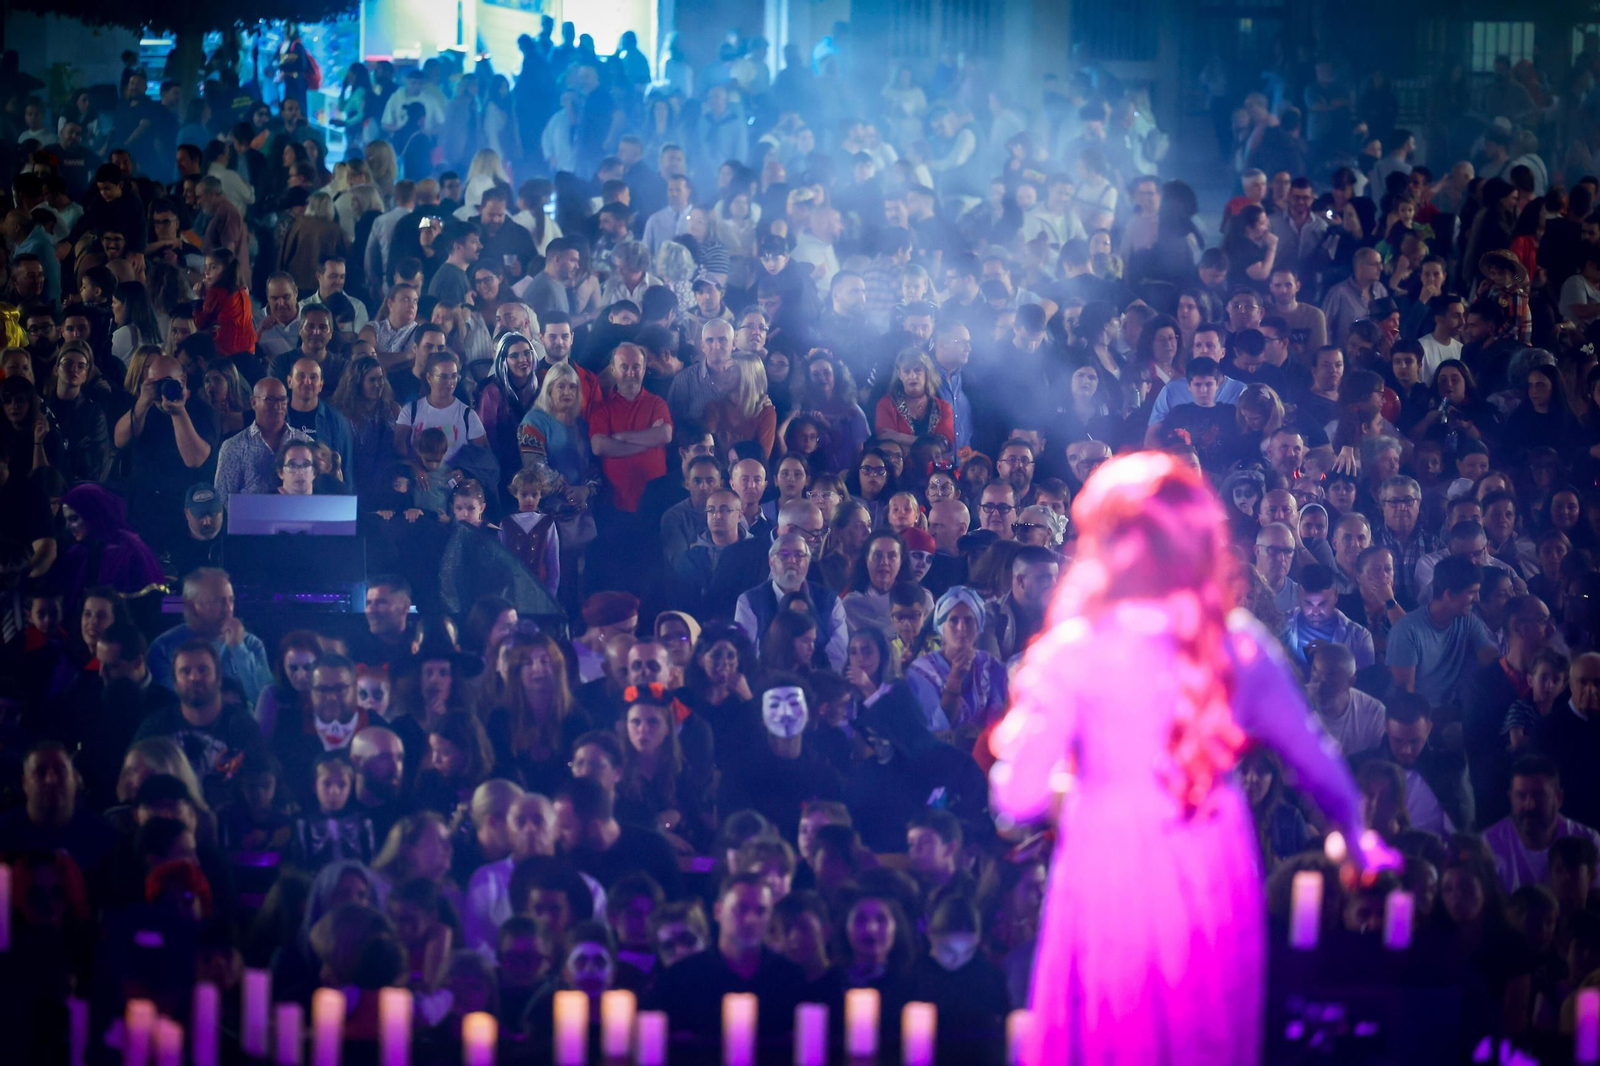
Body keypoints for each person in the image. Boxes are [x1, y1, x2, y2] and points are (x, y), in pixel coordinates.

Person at [990, 451, 1391, 1066]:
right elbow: (1323, 765)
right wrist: (1360, 841)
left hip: (1109, 864)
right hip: (1207, 862)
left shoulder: (1074, 652)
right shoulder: (1239, 644)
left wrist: (1031, 743)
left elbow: (1016, 798)